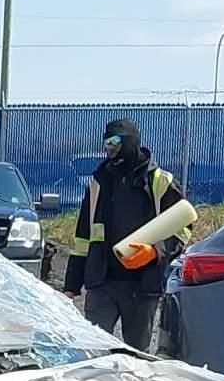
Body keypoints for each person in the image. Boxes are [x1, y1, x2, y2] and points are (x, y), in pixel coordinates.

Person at [64, 117, 184, 351]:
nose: (110, 148)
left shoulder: (161, 182)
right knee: (93, 350)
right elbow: (82, 238)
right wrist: (71, 285)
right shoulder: (100, 182)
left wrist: (155, 251)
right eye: (107, 142)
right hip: (102, 282)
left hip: (142, 286)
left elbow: (182, 228)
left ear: (130, 141)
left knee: (136, 356)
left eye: (115, 142)